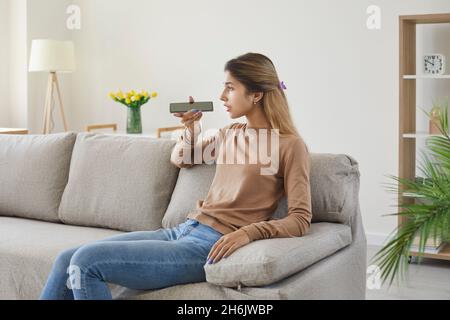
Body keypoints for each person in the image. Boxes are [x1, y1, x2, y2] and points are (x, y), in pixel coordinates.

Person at [39, 52, 312, 300]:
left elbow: (300, 219)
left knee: (86, 261)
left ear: (256, 95)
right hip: (181, 231)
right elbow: (182, 158)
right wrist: (192, 128)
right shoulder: (230, 134)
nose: (221, 96)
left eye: (230, 88)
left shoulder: (289, 145)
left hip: (208, 245)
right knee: (66, 259)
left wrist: (249, 233)